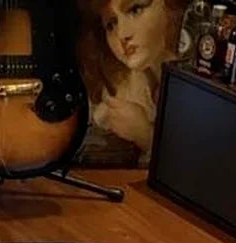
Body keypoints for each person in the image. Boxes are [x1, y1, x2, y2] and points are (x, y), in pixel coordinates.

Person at [77, 0, 186, 163]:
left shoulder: (196, 91)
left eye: (135, 10)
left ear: (172, 8)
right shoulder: (123, 85)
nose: (122, 34)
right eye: (111, 24)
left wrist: (145, 136)